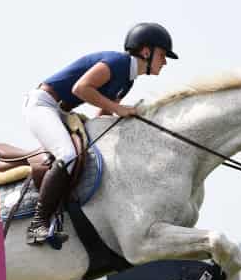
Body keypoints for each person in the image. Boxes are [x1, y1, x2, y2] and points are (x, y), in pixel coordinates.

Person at [23, 22, 178, 245]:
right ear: (146, 51)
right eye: (162, 55)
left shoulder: (128, 81)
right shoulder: (118, 63)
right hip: (42, 106)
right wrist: (120, 109)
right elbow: (81, 88)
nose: (164, 62)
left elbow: (102, 116)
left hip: (60, 112)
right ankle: (37, 224)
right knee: (67, 155)